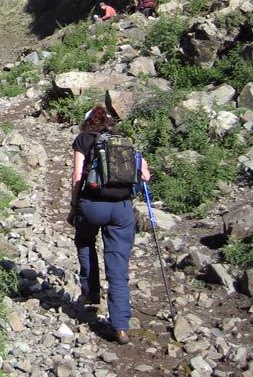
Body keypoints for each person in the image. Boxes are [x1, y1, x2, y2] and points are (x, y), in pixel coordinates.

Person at [67, 105, 150, 345]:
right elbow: (144, 175)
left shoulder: (83, 139)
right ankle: (121, 326)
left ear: (88, 123)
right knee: (118, 268)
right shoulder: (124, 141)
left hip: (92, 205)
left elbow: (77, 176)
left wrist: (74, 207)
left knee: (84, 240)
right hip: (122, 209)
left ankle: (91, 291)